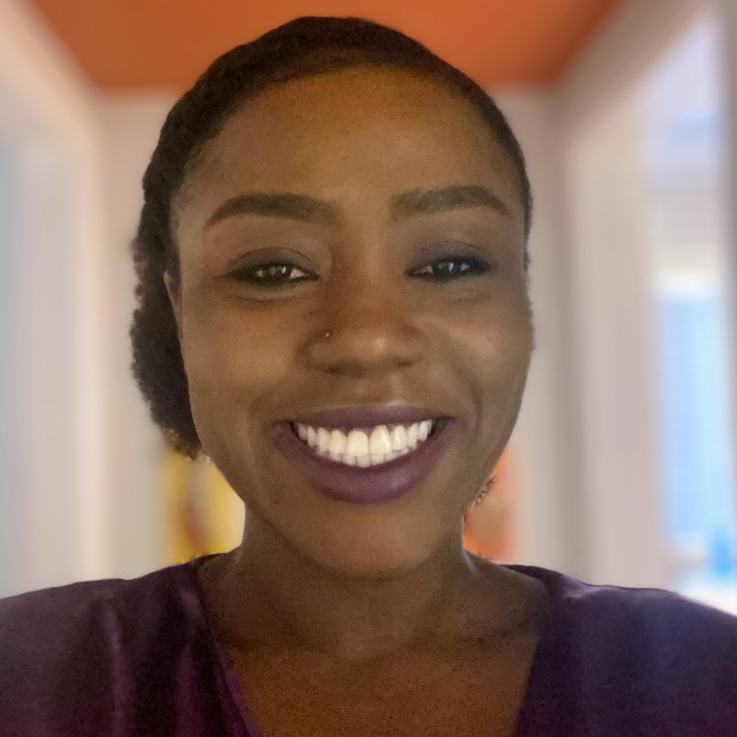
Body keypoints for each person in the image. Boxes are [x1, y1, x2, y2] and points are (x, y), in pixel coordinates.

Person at [1, 16, 736, 737]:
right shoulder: (30, 682)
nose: (367, 339)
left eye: (450, 263)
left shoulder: (705, 681)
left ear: (523, 299)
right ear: (179, 307)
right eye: (274, 270)